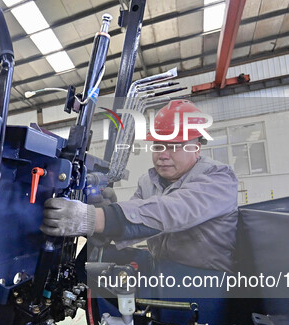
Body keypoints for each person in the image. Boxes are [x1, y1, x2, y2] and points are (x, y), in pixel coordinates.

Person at [40, 99, 238, 273]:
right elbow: (136, 220)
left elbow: (171, 211)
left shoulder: (219, 177)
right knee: (94, 267)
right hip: (160, 266)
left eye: (174, 146)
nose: (163, 154)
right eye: (158, 146)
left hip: (206, 280)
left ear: (196, 148)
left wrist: (95, 218)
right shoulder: (148, 181)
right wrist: (104, 214)